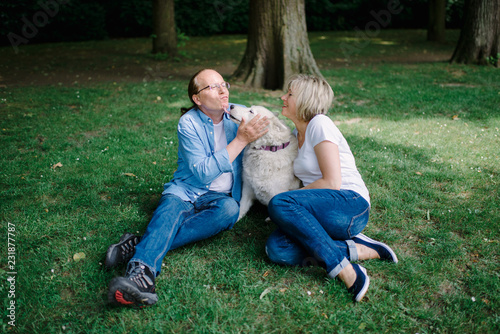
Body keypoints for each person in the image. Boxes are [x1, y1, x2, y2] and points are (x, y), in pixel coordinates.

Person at [106, 69, 269, 307]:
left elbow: (274, 132)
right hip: (186, 190)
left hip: (221, 197)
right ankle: (140, 276)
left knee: (229, 211)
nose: (223, 90)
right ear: (197, 99)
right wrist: (241, 140)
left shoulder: (240, 114)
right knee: (168, 212)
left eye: (224, 84)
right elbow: (203, 172)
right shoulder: (188, 123)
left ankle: (139, 245)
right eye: (213, 87)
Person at [264, 74, 398, 302]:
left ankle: (345, 270)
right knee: (276, 249)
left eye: (289, 94)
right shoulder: (297, 134)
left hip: (349, 205)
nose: (282, 97)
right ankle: (357, 247)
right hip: (323, 212)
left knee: (280, 202)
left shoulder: (320, 124)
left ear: (306, 100)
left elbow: (331, 182)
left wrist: (286, 203)